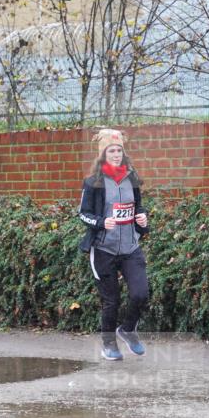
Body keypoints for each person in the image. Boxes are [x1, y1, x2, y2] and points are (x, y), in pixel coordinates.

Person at [78, 128, 151, 361]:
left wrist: (142, 218)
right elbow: (83, 214)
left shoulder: (131, 178)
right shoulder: (93, 183)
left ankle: (128, 330)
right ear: (103, 154)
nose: (116, 154)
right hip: (103, 249)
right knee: (112, 301)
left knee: (141, 293)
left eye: (119, 150)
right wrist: (101, 222)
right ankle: (109, 344)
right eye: (112, 150)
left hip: (130, 247)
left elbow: (137, 207)